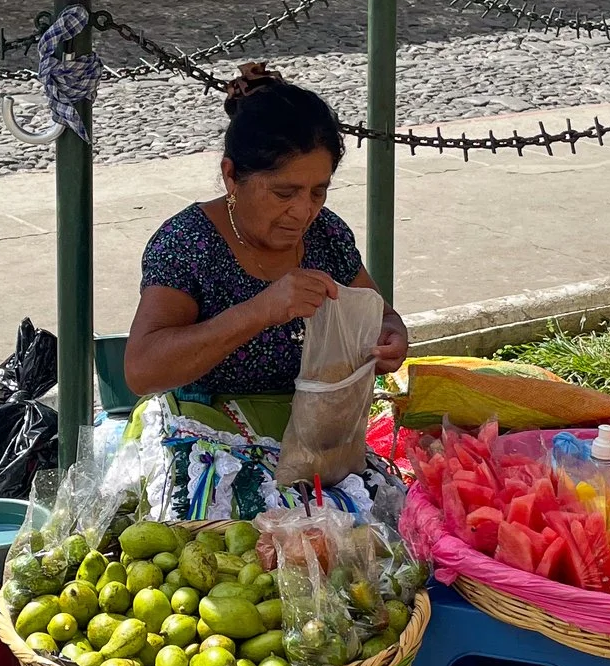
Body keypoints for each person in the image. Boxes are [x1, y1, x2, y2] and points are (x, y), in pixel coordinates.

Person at [126, 66, 408, 414]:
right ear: (231, 176)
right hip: (208, 442)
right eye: (283, 193)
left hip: (315, 435)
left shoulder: (327, 233)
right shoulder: (187, 244)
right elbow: (141, 370)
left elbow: (379, 312)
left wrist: (391, 334)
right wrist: (259, 311)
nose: (304, 211)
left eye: (318, 191)